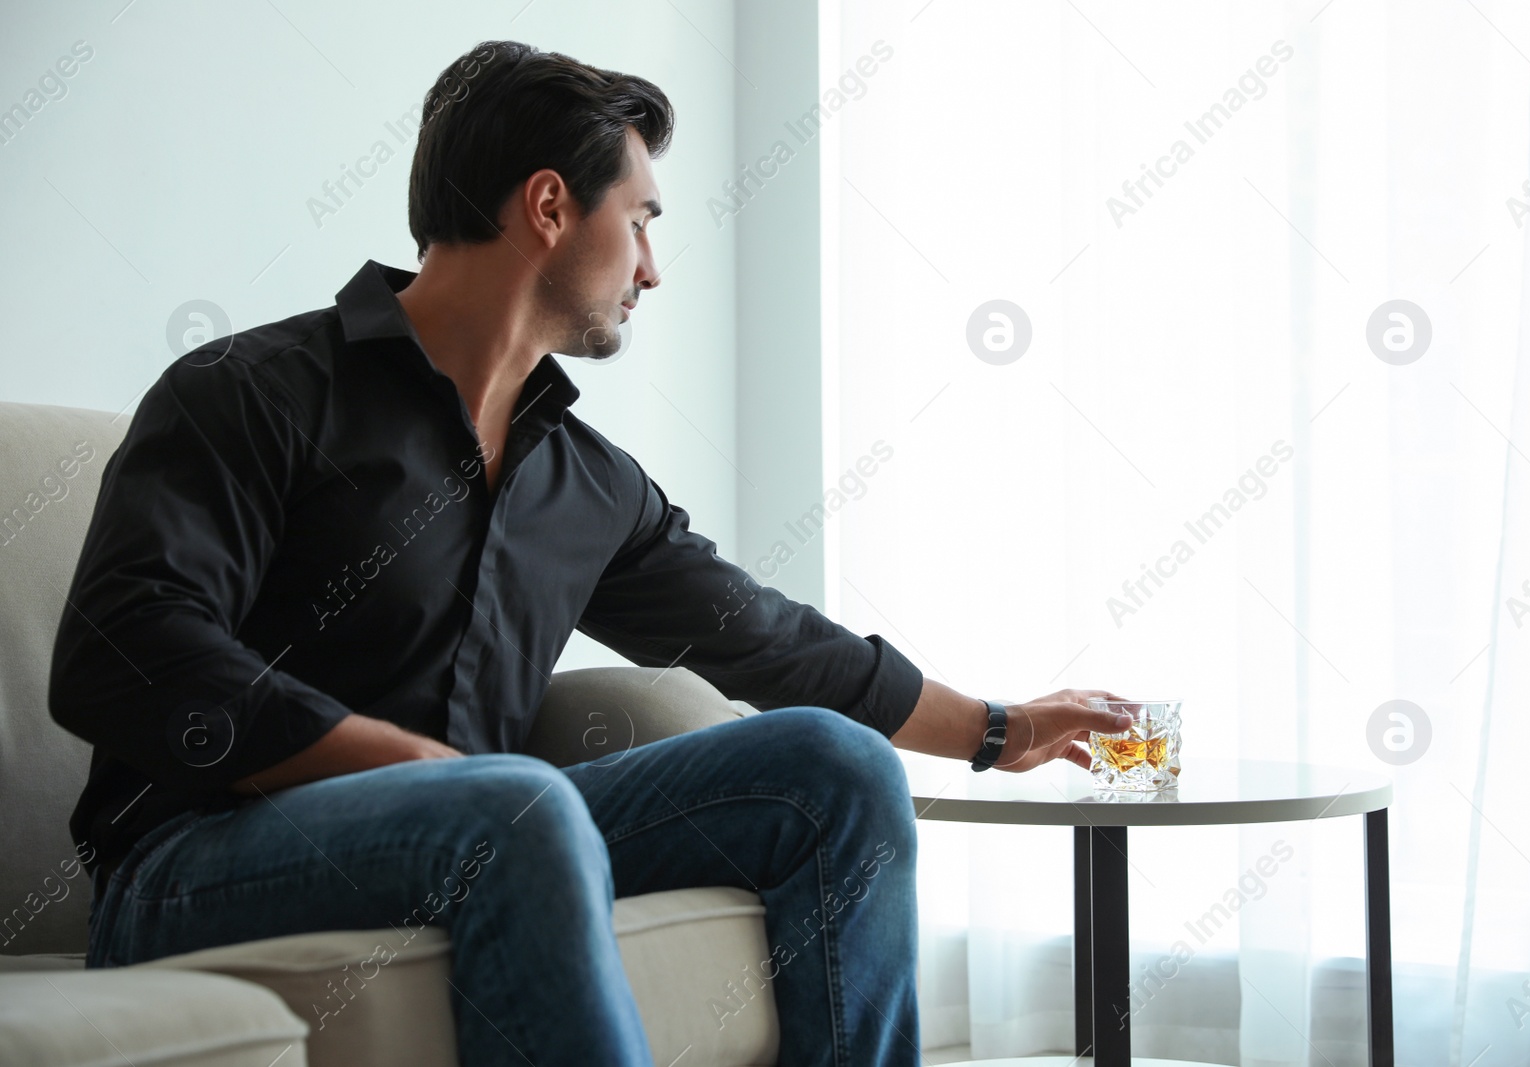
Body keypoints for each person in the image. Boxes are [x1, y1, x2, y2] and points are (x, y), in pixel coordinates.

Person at [49, 40, 1133, 1065]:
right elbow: (125, 645)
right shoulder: (254, 390)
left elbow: (769, 640)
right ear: (551, 206)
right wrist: (411, 766)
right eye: (643, 219)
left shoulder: (587, 481)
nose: (652, 269)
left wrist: (997, 727)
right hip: (200, 861)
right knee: (514, 801)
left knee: (830, 768)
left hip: (492, 823)